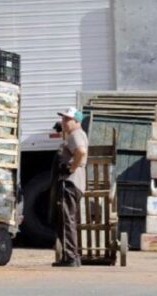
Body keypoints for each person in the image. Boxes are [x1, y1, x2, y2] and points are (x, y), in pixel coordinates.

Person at [53, 106, 88, 267]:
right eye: (63, 119)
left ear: (77, 121)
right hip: (74, 182)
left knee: (67, 219)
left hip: (70, 182)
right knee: (67, 218)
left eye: (68, 119)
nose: (64, 122)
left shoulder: (75, 135)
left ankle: (71, 257)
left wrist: (72, 167)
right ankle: (71, 256)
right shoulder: (74, 135)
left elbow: (80, 151)